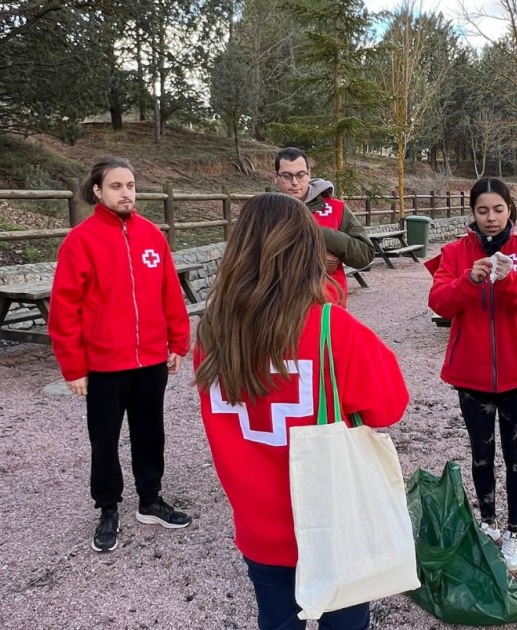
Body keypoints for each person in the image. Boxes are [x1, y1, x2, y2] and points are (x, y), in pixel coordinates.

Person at [194, 193, 409, 629]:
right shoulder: (333, 327)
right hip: (331, 522)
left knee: (275, 621)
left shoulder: (212, 332)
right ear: (306, 250)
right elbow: (389, 407)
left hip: (256, 524)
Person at [48, 157, 192, 553]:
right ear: (97, 190)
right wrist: (74, 368)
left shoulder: (152, 236)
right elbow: (64, 310)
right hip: (104, 366)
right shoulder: (80, 240)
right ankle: (108, 507)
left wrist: (178, 342)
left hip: (150, 361)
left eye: (130, 185)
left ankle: (150, 499)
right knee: (105, 440)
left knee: (150, 433)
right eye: (116, 186)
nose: (126, 192)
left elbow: (170, 293)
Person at [423, 177, 517, 573]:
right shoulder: (455, 252)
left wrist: (508, 276)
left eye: (498, 209)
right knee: (480, 451)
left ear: (510, 209)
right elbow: (440, 304)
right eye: (482, 210)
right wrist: (469, 279)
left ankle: (515, 529)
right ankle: (488, 522)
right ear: (472, 214)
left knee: (516, 452)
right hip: (471, 372)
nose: (491, 218)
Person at [273, 148, 375, 305]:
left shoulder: (336, 208)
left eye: (300, 175)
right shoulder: (266, 212)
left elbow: (364, 255)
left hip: (328, 309)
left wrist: (319, 234)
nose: (295, 182)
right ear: (276, 177)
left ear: (309, 175)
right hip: (279, 310)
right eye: (287, 176)